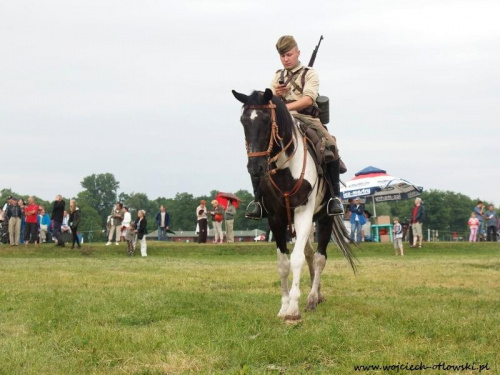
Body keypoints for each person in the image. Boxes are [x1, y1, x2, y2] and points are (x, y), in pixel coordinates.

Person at [245, 35, 344, 220]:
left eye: (289, 54)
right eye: (282, 56)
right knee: (258, 151)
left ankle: (334, 198)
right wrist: (277, 94)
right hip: (281, 121)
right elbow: (268, 100)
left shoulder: (310, 73)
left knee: (330, 146)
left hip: (305, 118)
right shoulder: (277, 76)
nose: (286, 59)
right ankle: (258, 201)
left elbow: (308, 99)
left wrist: (284, 107)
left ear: (297, 53)